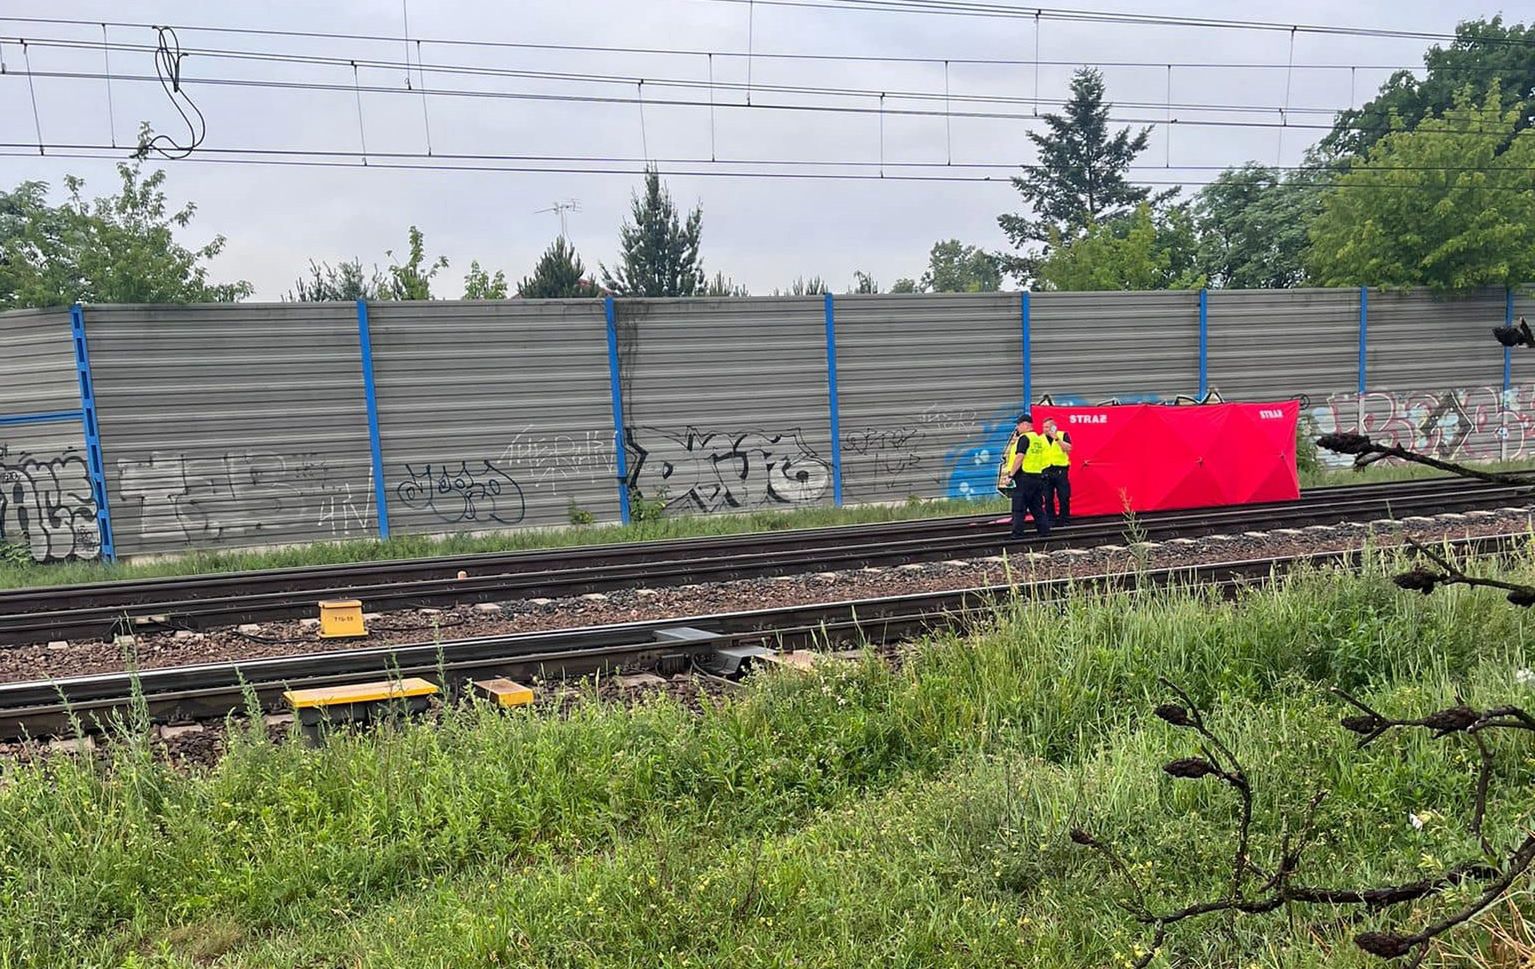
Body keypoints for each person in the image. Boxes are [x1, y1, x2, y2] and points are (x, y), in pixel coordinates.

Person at [1005, 413, 1052, 539]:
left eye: (1018, 425)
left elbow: (1020, 457)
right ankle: (1045, 531)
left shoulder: (1024, 438)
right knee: (1036, 507)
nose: (1017, 428)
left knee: (1019, 507)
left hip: (1024, 478)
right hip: (1037, 477)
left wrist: (1010, 475)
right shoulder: (1037, 439)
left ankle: (1017, 534)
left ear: (1025, 425)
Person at [1042, 417, 1072, 525]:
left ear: (1054, 427)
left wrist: (1056, 438)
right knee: (1048, 497)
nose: (1045, 429)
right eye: (1044, 427)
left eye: (1047, 427)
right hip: (1046, 471)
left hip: (1060, 471)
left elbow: (1068, 448)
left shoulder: (1063, 435)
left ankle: (1064, 519)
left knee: (1063, 496)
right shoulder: (1040, 439)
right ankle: (1051, 519)